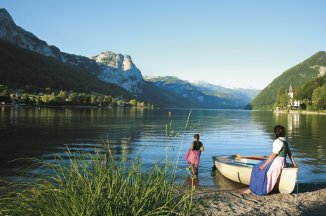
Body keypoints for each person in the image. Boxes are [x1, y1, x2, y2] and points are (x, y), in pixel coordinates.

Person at [243, 125, 298, 195]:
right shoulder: (286, 142)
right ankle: (255, 188)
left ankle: (255, 189)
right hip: (282, 161)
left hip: (276, 162)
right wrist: (294, 164)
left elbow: (273, 155)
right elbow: (290, 155)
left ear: (275, 133)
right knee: (260, 167)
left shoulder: (277, 142)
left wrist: (264, 165)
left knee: (257, 168)